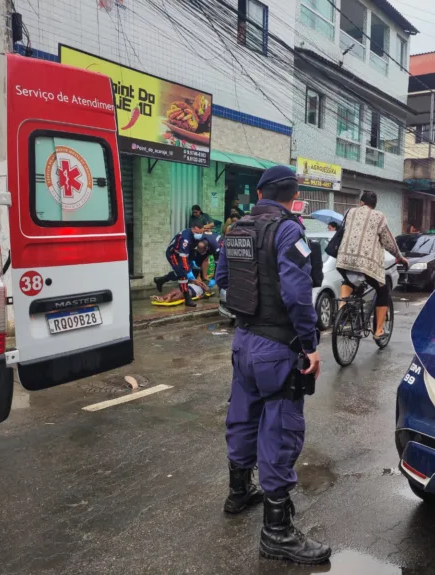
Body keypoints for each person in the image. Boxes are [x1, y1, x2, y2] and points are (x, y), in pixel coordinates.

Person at [216, 165, 330, 565]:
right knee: (280, 429)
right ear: (292, 194)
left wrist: (249, 316)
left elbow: (223, 280)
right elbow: (299, 295)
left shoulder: (237, 230)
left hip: (244, 341)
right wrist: (311, 345)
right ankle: (277, 533)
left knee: (243, 416)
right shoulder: (288, 230)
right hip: (277, 346)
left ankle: (238, 492)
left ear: (261, 192)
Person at [336, 191, 408, 340]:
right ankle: (379, 330)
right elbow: (388, 242)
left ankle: (342, 315)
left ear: (361, 202)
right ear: (374, 205)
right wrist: (399, 257)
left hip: (343, 260)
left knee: (348, 281)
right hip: (366, 264)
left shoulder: (349, 212)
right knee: (382, 291)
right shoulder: (378, 216)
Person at [153, 225, 206, 307]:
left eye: (202, 232)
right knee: (182, 274)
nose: (200, 234)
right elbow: (183, 258)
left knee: (180, 272)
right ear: (194, 228)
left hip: (184, 253)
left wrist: (192, 262)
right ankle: (187, 298)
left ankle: (161, 280)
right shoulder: (185, 239)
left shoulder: (196, 234)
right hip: (173, 254)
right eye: (199, 232)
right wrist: (188, 272)